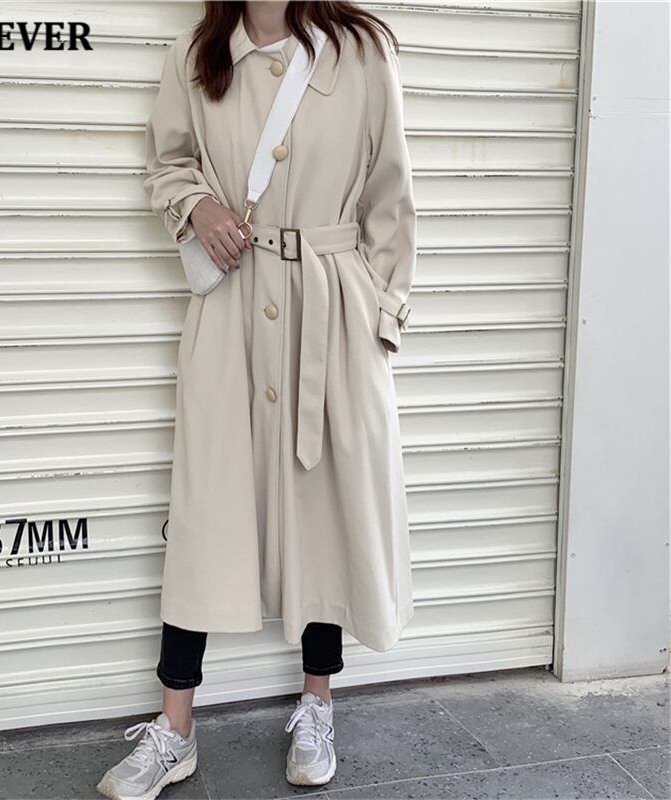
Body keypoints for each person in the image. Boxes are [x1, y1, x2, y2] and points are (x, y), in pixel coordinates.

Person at [96, 1, 417, 797]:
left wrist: (381, 319)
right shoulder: (197, 53)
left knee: (323, 508)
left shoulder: (359, 51)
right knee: (205, 512)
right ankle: (175, 728)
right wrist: (196, 206)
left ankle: (317, 705)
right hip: (232, 307)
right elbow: (167, 162)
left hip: (331, 313)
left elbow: (390, 196)